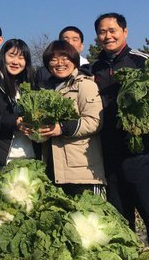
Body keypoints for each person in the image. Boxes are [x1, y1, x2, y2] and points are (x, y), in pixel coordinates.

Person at [91, 12, 149, 251]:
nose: (108, 36)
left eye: (112, 30)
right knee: (120, 214)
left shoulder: (142, 61)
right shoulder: (95, 67)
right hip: (110, 150)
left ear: (125, 32)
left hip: (141, 151)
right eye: (102, 32)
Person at [22, 40, 104, 196]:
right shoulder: (45, 89)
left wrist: (62, 129)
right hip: (54, 169)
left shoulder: (84, 84)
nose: (59, 63)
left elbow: (95, 121)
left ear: (74, 60)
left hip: (82, 171)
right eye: (53, 59)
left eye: (65, 58)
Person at [0, 39, 36, 179]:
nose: (16, 61)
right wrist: (14, 122)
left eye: (21, 57)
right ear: (3, 57)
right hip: (1, 160)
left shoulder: (31, 84)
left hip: (29, 157)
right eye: (11, 55)